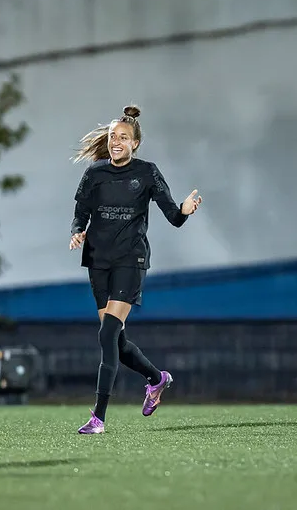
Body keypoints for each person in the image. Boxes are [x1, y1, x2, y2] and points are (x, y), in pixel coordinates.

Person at [69, 105, 202, 434]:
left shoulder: (147, 172)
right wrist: (77, 230)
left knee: (107, 335)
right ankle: (157, 379)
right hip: (98, 261)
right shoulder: (94, 174)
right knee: (117, 341)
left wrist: (184, 210)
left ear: (135, 143)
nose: (116, 141)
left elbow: (172, 214)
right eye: (113, 136)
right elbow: (80, 211)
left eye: (123, 137)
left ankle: (98, 418)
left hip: (131, 260)